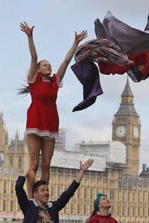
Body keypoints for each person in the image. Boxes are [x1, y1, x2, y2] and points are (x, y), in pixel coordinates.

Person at [19, 22, 87, 198]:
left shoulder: (56, 81)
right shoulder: (34, 80)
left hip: (50, 122)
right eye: (45, 65)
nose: (49, 66)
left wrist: (76, 43)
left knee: (47, 164)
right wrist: (30, 37)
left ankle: (43, 194)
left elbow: (66, 60)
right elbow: (34, 57)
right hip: (35, 120)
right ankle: (30, 197)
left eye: (49, 65)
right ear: (38, 70)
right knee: (34, 164)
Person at [15, 159, 94, 223]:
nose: (46, 192)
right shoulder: (28, 207)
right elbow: (18, 187)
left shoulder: (53, 207)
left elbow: (69, 192)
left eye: (47, 190)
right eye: (42, 190)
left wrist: (81, 172)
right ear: (35, 194)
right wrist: (25, 173)